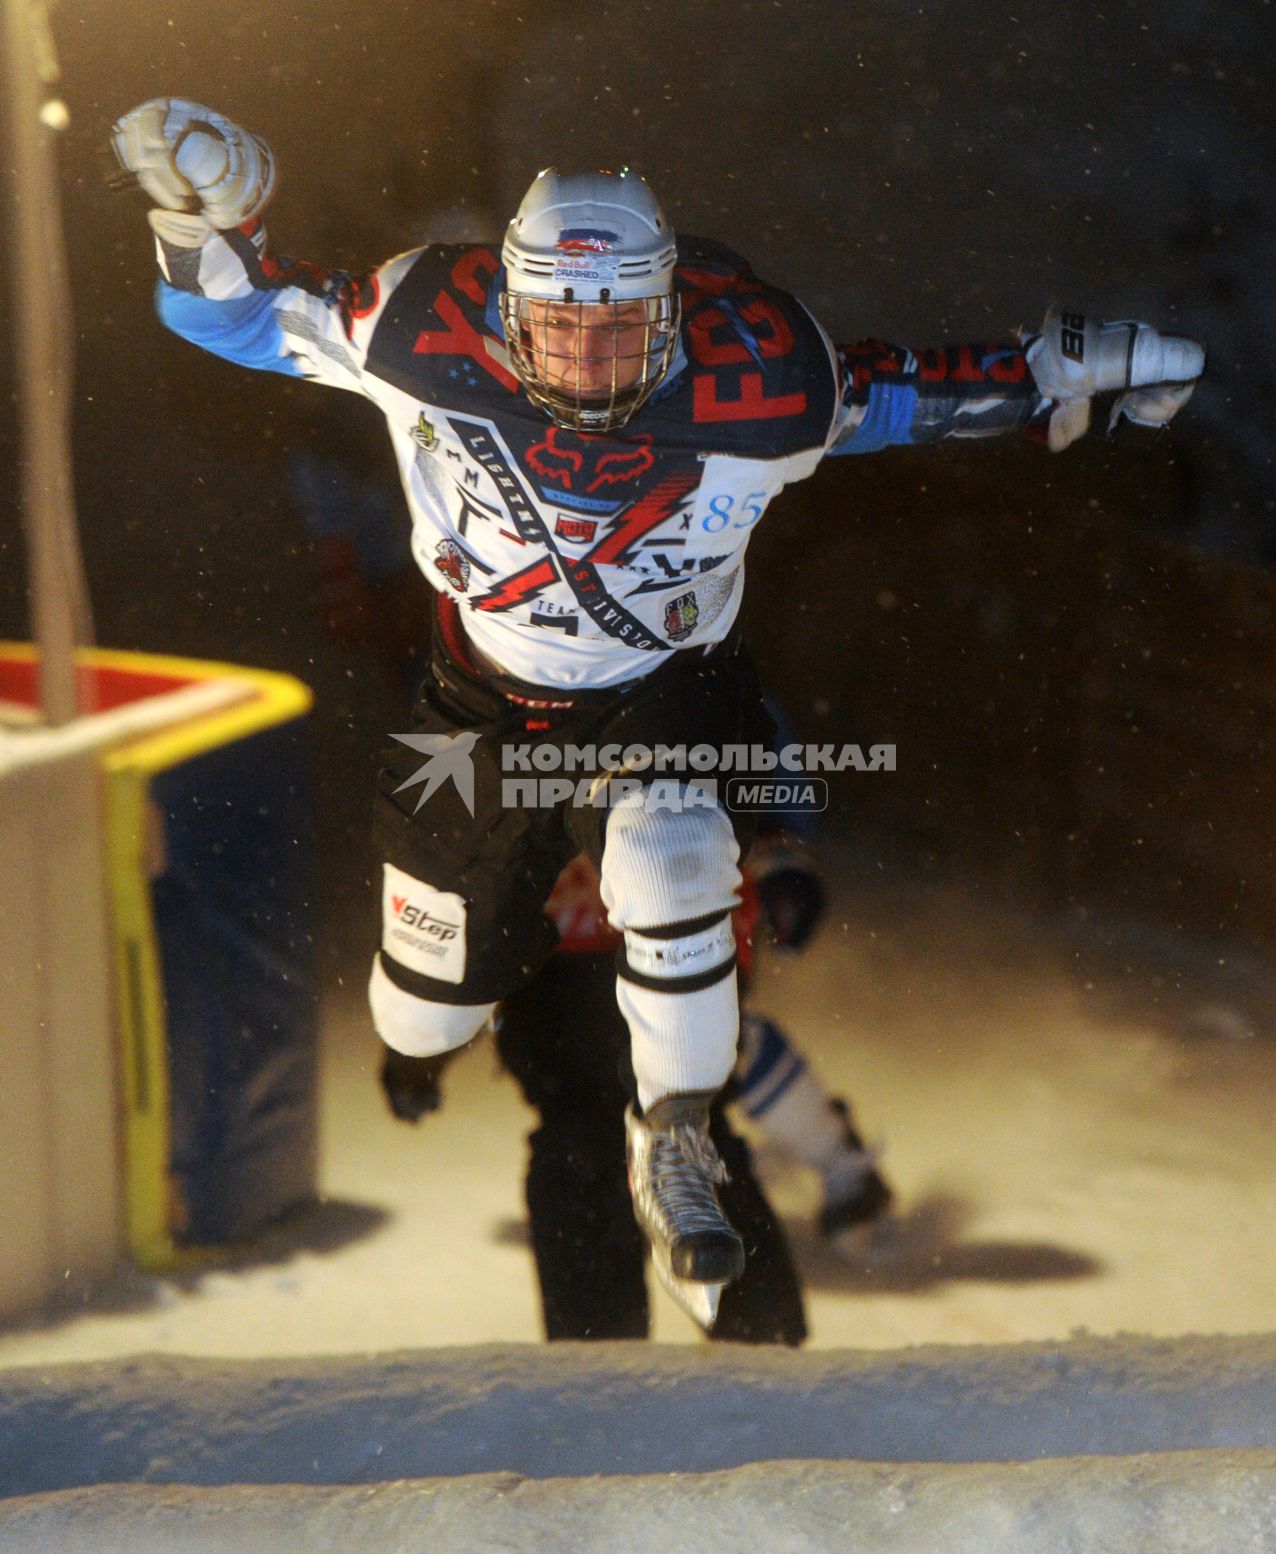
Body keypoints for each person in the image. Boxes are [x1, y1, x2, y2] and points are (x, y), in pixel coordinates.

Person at [109, 98, 1204, 1327]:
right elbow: (231, 315)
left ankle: (672, 1133)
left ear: (672, 308)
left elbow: (910, 390)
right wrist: (209, 224)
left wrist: (1064, 370)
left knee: (675, 850)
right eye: (557, 329)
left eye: (617, 327)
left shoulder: (760, 380)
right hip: (468, 707)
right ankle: (434, 1035)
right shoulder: (420, 327)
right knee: (423, 999)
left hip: (655, 694)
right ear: (505, 307)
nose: (583, 363)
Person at [382, 831, 891, 1340]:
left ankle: (831, 1174)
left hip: (641, 945)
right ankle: (736, 1348)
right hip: (598, 979)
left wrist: (421, 1039)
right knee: (661, 1110)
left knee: (682, 1096)